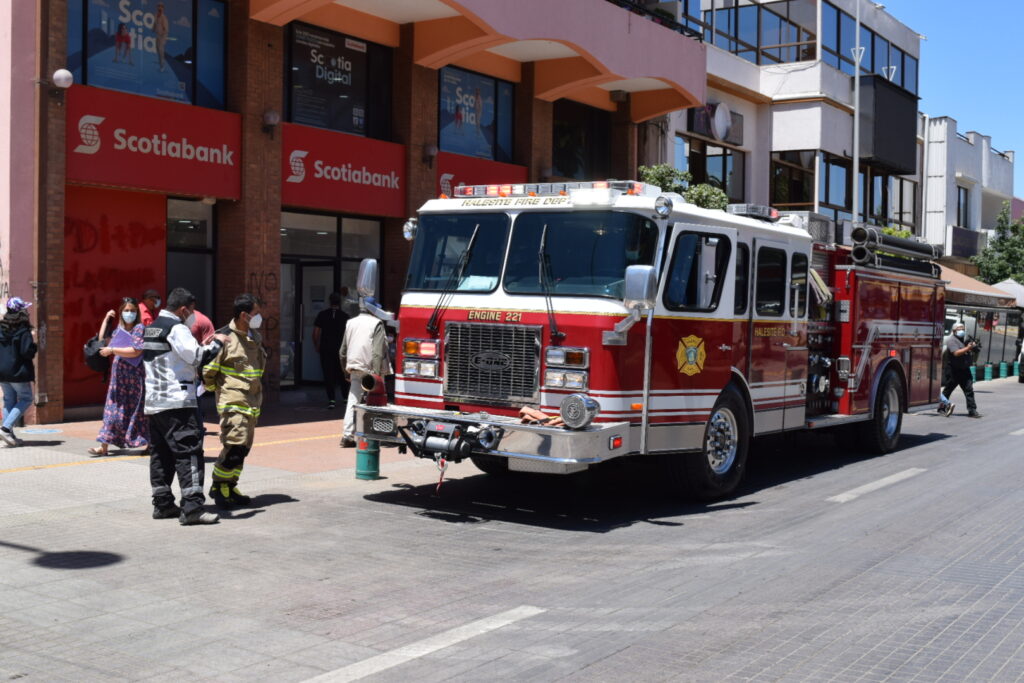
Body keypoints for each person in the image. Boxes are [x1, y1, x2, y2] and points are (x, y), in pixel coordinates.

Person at [143, 287, 228, 525]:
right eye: (191, 311)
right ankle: (192, 508)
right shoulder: (177, 328)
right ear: (183, 309)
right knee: (188, 453)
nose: (193, 315)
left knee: (161, 454)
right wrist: (218, 343)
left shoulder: (152, 327)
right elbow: (198, 357)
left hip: (155, 402)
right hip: (178, 401)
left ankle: (162, 504)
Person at [201, 294, 267, 509]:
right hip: (233, 402)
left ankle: (230, 485)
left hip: (252, 402)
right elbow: (208, 371)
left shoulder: (254, 337)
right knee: (234, 446)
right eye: (256, 313)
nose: (259, 317)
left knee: (243, 449)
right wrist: (220, 391)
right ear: (243, 315)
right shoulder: (223, 337)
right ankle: (219, 486)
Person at [90, 298, 148, 456]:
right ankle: (103, 446)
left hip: (134, 376)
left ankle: (150, 444)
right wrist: (106, 320)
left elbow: (137, 350)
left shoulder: (139, 328)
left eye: (132, 310)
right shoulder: (118, 330)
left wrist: (113, 350)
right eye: (126, 310)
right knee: (112, 409)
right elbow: (103, 341)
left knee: (138, 410)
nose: (129, 313)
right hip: (118, 377)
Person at [339, 297, 392, 448]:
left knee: (352, 401)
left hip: (354, 368)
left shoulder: (350, 323)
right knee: (378, 401)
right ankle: (379, 435)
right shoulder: (376, 323)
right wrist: (376, 376)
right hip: (371, 369)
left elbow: (342, 351)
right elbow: (377, 352)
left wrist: (345, 371)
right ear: (373, 309)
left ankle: (347, 436)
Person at [0, 298, 38, 447]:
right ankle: (5, 428)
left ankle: (9, 435)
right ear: (21, 312)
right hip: (17, 372)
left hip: (2, 372)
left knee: (9, 400)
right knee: (27, 398)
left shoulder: (1, 328)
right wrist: (33, 344)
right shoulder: (24, 330)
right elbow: (26, 352)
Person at [313, 292, 348, 409]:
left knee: (328, 374)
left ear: (329, 302)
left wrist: (317, 345)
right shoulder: (345, 316)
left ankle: (331, 400)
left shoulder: (322, 315)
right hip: (340, 350)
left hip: (326, 348)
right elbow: (347, 335)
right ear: (340, 302)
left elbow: (316, 333)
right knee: (342, 373)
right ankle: (345, 398)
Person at [940, 321, 982, 418]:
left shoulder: (963, 340)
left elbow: (969, 350)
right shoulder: (951, 340)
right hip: (954, 370)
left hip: (964, 369)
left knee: (969, 390)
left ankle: (972, 410)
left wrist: (973, 347)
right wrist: (968, 348)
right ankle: (942, 408)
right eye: (959, 329)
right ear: (954, 331)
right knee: (948, 390)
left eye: (963, 329)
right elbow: (956, 353)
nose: (961, 331)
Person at [154, 2, 169, 72]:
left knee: (160, 50)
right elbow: (155, 23)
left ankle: (162, 66)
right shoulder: (156, 16)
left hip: (162, 36)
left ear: (163, 9)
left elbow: (166, 30)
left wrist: (161, 35)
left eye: (161, 6)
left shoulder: (164, 18)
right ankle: (161, 60)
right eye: (158, 6)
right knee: (157, 49)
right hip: (158, 36)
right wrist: (153, 28)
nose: (160, 8)